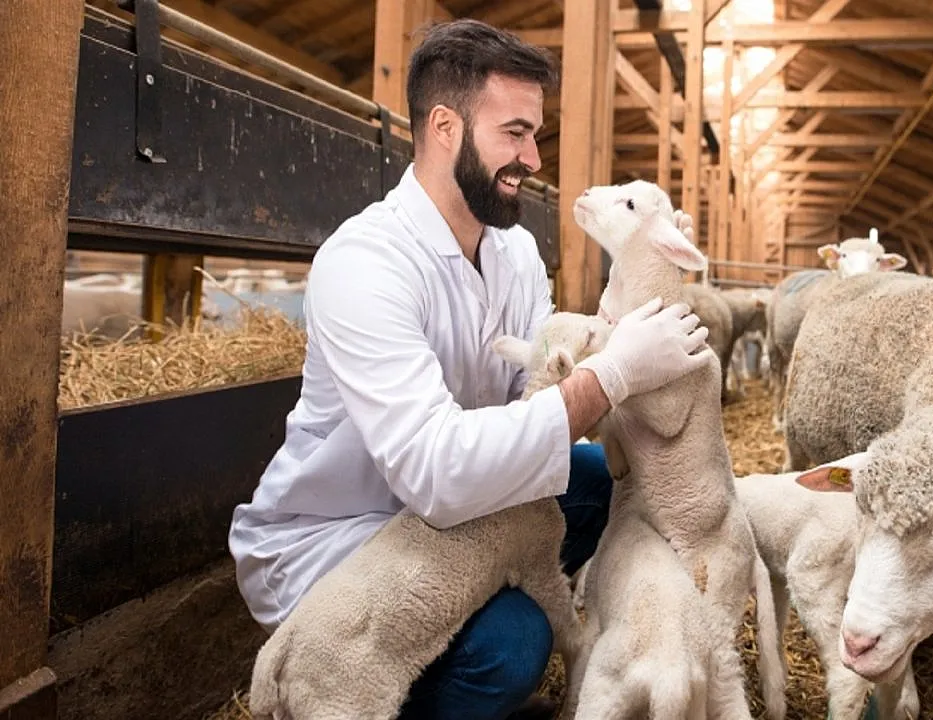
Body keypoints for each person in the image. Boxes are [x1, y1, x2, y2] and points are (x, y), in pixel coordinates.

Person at [227, 18, 713, 720]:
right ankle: (369, 684)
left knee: (600, 482)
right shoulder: (365, 262)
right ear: (445, 127)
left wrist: (627, 317)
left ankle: (487, 621)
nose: (534, 158)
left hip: (466, 518)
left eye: (535, 135)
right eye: (514, 133)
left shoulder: (513, 253)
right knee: (514, 646)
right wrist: (613, 376)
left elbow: (537, 393)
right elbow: (434, 472)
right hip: (348, 536)